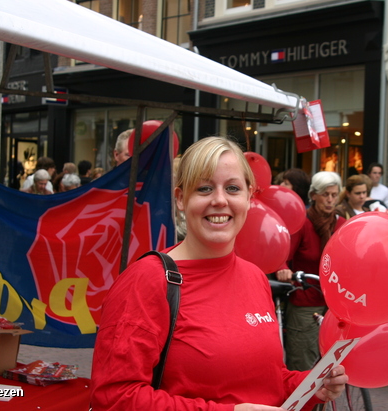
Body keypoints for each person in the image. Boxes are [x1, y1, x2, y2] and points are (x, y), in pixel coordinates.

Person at [90, 137, 348, 410]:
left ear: (249, 197)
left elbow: (268, 382)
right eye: (204, 188)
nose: (220, 200)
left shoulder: (256, 277)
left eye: (233, 188)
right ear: (180, 199)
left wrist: (310, 385)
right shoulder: (147, 279)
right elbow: (114, 397)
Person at [277, 171, 346, 371]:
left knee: (331, 363)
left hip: (335, 303)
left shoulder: (340, 224)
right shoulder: (303, 222)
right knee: (303, 363)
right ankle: (300, 402)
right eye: (326, 195)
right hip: (306, 299)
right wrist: (283, 269)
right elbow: (283, 254)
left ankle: (322, 402)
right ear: (313, 195)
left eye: (334, 195)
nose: (330, 200)